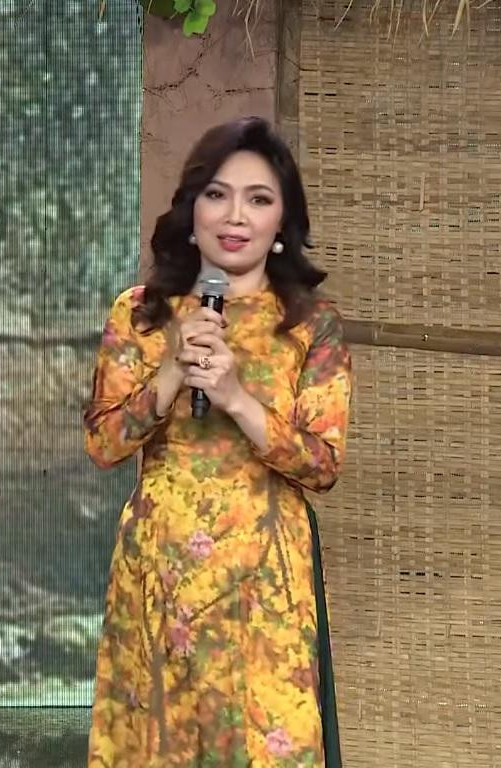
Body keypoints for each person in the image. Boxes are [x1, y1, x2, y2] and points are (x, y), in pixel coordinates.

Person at [83, 116, 350, 767]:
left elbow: (322, 465)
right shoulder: (140, 313)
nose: (235, 216)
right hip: (160, 571)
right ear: (192, 208)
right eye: (217, 195)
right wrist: (171, 373)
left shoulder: (311, 325)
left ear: (282, 222)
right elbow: (104, 444)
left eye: (258, 199)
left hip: (265, 582)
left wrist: (236, 398)